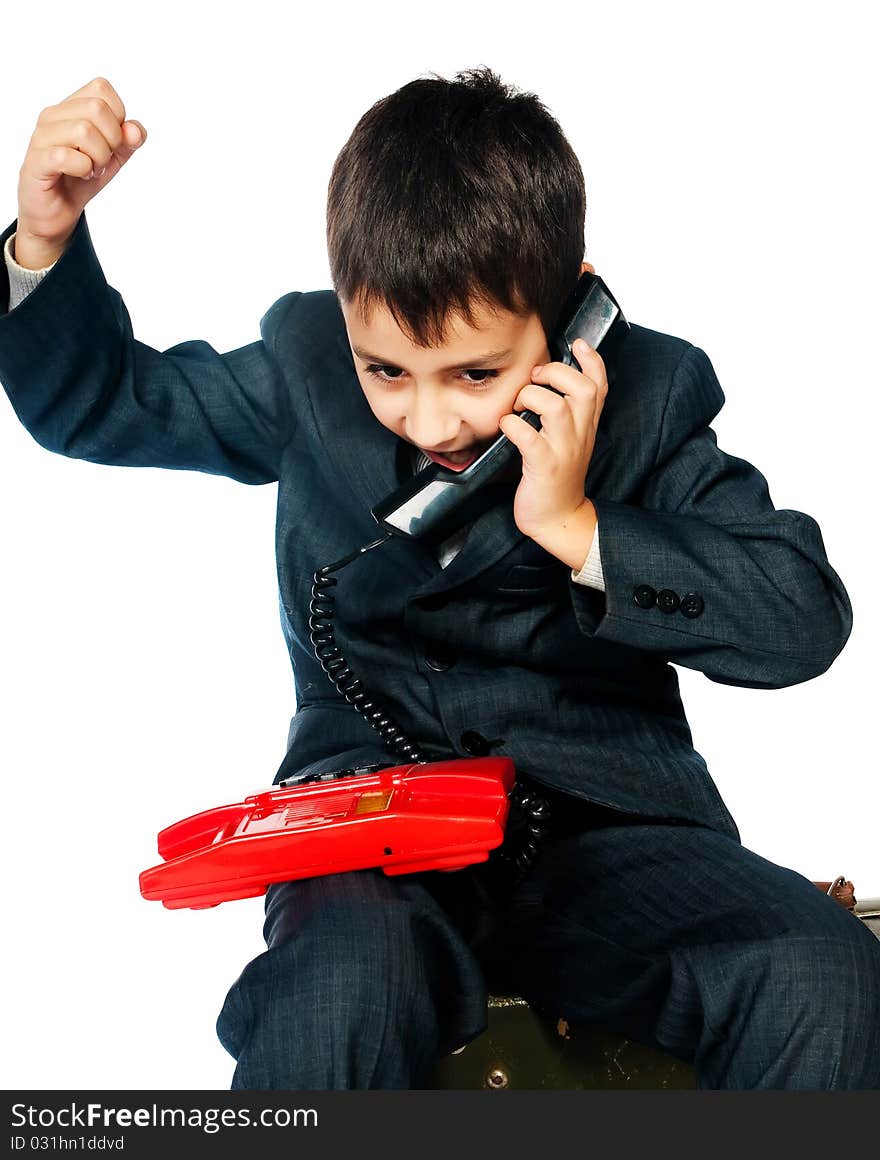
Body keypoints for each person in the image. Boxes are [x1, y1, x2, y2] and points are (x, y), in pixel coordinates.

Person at [1, 68, 878, 1092]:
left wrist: (579, 527)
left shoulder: (649, 396)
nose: (428, 422)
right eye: (386, 370)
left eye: (474, 373)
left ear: (568, 318)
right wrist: (43, 238)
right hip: (364, 832)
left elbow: (800, 617)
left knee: (819, 967)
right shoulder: (302, 368)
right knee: (344, 989)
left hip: (600, 833)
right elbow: (104, 401)